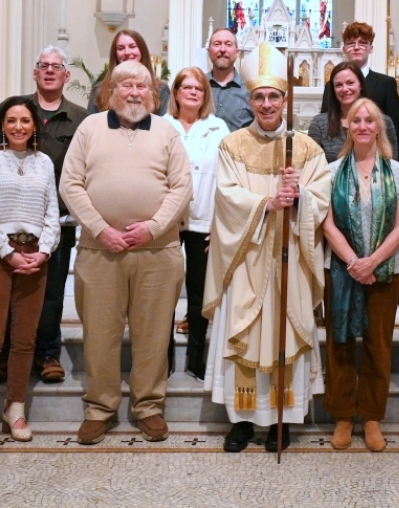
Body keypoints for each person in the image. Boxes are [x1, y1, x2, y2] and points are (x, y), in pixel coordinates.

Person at [203, 43, 332, 454]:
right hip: (247, 253)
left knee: (287, 328)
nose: (266, 104)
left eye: (273, 96)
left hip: (289, 255)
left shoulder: (307, 149)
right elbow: (226, 196)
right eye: (258, 96)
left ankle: (283, 419)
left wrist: (300, 200)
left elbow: (321, 198)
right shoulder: (233, 145)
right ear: (250, 100)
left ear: (285, 99)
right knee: (243, 333)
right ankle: (241, 421)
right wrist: (267, 204)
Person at [60, 60, 192, 446]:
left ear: (153, 95)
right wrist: (101, 229)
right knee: (100, 332)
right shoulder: (90, 128)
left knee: (153, 334)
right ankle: (100, 408)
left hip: (158, 249)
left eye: (142, 87)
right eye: (126, 86)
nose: (134, 93)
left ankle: (148, 406)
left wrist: (151, 227)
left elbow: (182, 187)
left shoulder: (167, 132)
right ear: (110, 92)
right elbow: (70, 184)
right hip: (100, 251)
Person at [0, 45, 88, 384]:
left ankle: (47, 354)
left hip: (56, 222)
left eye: (56, 67)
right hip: (8, 221)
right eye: (43, 66)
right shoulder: (17, 110)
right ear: (35, 72)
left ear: (66, 75)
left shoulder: (80, 117)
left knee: (51, 292)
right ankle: (5, 357)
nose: (49, 71)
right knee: (7, 296)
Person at [0, 96, 60, 452]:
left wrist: (44, 250)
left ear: (35, 125)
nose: (19, 126)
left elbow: (52, 209)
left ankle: (14, 407)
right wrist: (7, 252)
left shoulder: (44, 162)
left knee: (25, 339)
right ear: (2, 125)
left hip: (35, 256)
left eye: (25, 120)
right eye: (11, 120)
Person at [322, 98, 399, 452]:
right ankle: (343, 415)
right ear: (348, 125)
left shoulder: (397, 171)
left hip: (385, 271)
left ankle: (372, 416)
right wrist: (353, 263)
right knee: (340, 344)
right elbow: (327, 224)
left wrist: (371, 262)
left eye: (369, 120)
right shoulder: (331, 170)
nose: (362, 125)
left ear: (378, 127)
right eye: (356, 120)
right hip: (343, 271)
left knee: (378, 343)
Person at [163, 67, 230, 379]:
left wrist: (221, 224)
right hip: (166, 224)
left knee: (200, 293)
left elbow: (229, 181)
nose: (192, 92)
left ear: (206, 95)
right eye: (186, 87)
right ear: (175, 93)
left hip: (205, 221)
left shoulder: (219, 129)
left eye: (198, 89)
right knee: (163, 292)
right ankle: (162, 356)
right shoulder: (160, 126)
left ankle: (196, 357)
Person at [319, 22, 399, 157]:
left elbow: (395, 131)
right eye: (351, 43)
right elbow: (326, 122)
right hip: (337, 156)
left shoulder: (386, 84)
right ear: (344, 49)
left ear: (371, 48)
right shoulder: (331, 85)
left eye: (363, 43)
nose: (357, 47)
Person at [308, 62, 398, 163]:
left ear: (361, 85)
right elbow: (313, 166)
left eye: (350, 83)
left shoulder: (384, 121)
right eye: (338, 85)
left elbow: (392, 162)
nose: (345, 89)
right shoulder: (319, 123)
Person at [88, 30, 169, 116]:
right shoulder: (99, 90)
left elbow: (162, 126)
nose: (127, 52)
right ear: (115, 54)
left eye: (132, 46)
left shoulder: (160, 89)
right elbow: (90, 125)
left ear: (142, 50)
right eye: (121, 48)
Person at [206, 27, 253, 132]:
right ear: (209, 51)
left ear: (237, 52)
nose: (222, 49)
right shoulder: (197, 86)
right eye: (217, 44)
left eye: (228, 44)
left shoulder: (250, 90)